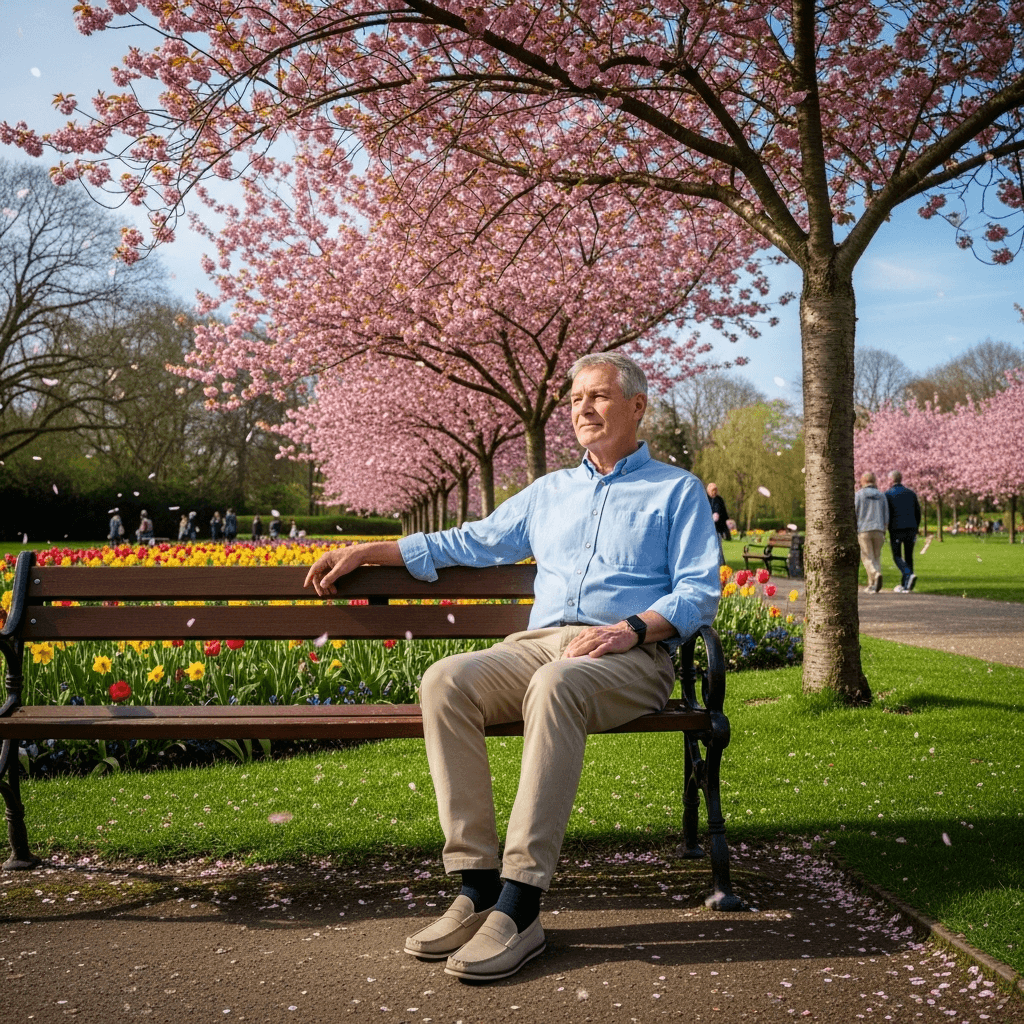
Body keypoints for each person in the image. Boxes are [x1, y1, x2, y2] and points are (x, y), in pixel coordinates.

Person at [304, 353, 720, 982]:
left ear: (637, 406)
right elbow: (467, 541)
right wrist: (370, 548)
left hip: (631, 653)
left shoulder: (676, 489)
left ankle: (521, 904)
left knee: (558, 684)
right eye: (576, 398)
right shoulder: (551, 491)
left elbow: (697, 590)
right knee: (447, 679)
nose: (583, 408)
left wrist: (631, 628)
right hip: (540, 642)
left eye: (599, 396)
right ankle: (475, 886)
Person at [886, 470, 921, 592]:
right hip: (911, 528)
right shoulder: (911, 493)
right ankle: (907, 585)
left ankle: (908, 574)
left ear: (891, 480)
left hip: (896, 529)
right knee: (908, 556)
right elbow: (918, 512)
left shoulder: (888, 494)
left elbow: (887, 514)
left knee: (897, 556)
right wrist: (916, 527)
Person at [855, 471, 888, 593]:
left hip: (864, 529)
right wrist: (885, 529)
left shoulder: (859, 495)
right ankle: (872, 585)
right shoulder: (881, 495)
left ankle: (875, 574)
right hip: (879, 529)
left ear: (863, 481)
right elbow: (886, 514)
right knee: (876, 557)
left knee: (867, 557)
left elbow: (855, 512)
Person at [705, 481, 731, 563]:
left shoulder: (719, 500)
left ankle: (720, 564)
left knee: (718, 548)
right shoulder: (704, 499)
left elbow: (724, 515)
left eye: (715, 490)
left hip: (718, 528)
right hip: (707, 529)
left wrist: (725, 530)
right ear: (708, 490)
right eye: (712, 490)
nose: (714, 492)